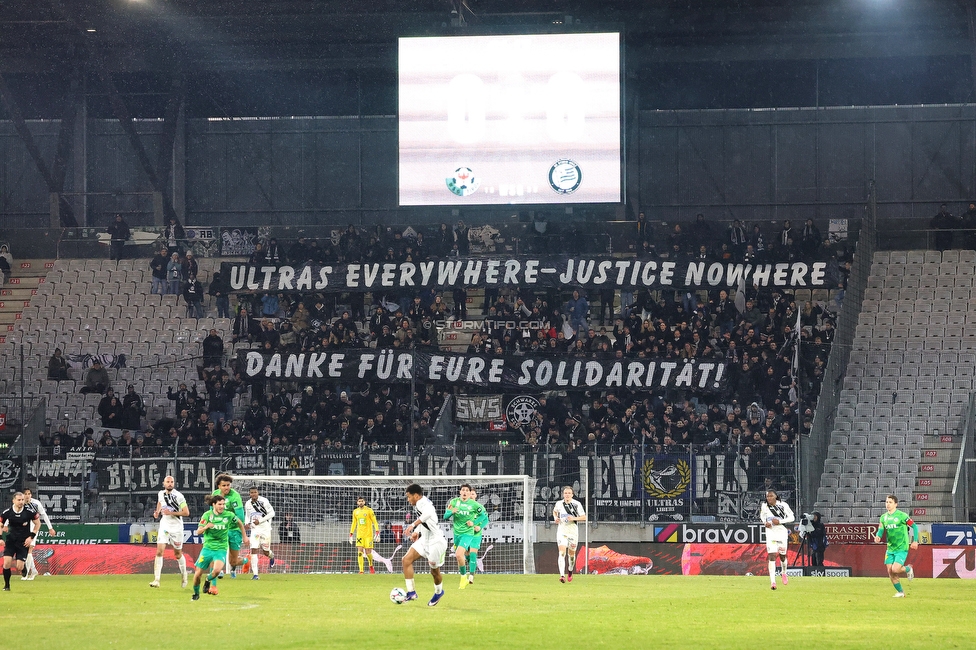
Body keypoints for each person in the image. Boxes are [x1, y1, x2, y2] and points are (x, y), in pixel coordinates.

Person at [191, 494, 248, 601]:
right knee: (198, 573)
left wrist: (244, 536)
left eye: (223, 504)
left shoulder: (229, 515)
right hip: (207, 548)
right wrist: (206, 526)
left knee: (217, 571)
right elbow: (198, 531)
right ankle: (195, 594)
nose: (222, 506)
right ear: (214, 505)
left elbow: (240, 523)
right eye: (219, 504)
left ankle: (208, 580)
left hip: (221, 549)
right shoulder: (207, 515)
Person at [401, 483, 447, 606]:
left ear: (416, 495)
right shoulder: (419, 503)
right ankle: (411, 592)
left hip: (436, 541)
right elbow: (425, 520)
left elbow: (428, 514)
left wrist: (413, 525)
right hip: (424, 539)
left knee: (434, 572)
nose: (408, 499)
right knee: (406, 560)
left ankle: (439, 592)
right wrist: (417, 532)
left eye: (409, 496)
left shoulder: (425, 503)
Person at [873, 494, 919, 598]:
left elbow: (914, 526)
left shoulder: (902, 516)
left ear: (896, 504)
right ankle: (901, 592)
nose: (888, 504)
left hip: (901, 547)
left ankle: (908, 569)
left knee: (895, 569)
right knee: (890, 571)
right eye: (886, 502)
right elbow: (880, 530)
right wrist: (877, 537)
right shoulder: (883, 517)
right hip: (890, 548)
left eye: (890, 502)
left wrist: (915, 541)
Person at [444, 483, 488, 589]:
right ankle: (464, 576)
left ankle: (466, 577)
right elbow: (445, 516)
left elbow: (484, 516)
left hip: (468, 534)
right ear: (460, 492)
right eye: (463, 490)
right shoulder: (454, 502)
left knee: (459, 554)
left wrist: (475, 523)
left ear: (469, 493)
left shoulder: (474, 505)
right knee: (462, 556)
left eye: (467, 490)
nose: (464, 492)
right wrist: (451, 512)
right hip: (457, 534)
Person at [150, 475, 190, 589]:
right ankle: (156, 580)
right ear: (164, 483)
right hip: (165, 526)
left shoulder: (179, 496)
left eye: (172, 482)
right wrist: (157, 512)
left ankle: (184, 575)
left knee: (177, 554)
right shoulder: (160, 494)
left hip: (177, 528)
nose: (170, 484)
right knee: (159, 551)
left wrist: (171, 513)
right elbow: (159, 502)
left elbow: (186, 512)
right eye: (168, 482)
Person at [1, 492, 40, 591]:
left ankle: (23, 569)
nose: (21, 502)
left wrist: (31, 537)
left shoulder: (29, 512)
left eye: (22, 500)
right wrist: (0, 538)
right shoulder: (7, 512)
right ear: (13, 500)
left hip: (23, 542)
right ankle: (7, 586)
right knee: (6, 563)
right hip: (11, 541)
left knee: (19, 566)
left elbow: (38, 524)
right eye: (19, 500)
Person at [212, 474, 249, 577]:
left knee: (232, 561)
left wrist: (225, 521)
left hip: (234, 529)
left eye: (228, 485)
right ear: (219, 486)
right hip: (221, 529)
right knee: (216, 551)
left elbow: (240, 517)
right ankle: (218, 570)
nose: (227, 487)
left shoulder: (235, 496)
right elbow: (212, 512)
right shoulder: (215, 494)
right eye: (224, 485)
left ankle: (246, 560)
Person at [760, 489, 795, 590]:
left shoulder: (783, 505)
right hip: (770, 532)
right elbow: (762, 516)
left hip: (781, 532)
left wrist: (780, 521)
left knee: (782, 556)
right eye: (767, 496)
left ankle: (783, 572)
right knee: (772, 555)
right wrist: (764, 523)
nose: (769, 498)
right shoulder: (764, 506)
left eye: (771, 496)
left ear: (776, 496)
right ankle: (773, 582)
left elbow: (792, 517)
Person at [553, 486, 586, 583]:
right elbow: (555, 512)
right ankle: (562, 575)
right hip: (562, 531)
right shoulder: (559, 504)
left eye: (569, 493)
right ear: (563, 494)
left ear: (572, 494)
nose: (567, 495)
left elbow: (584, 517)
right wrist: (556, 518)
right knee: (561, 553)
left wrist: (574, 518)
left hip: (573, 533)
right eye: (565, 493)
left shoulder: (576, 504)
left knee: (571, 556)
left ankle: (570, 570)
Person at [21, 488, 55, 581]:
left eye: (29, 494)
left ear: (31, 495)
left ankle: (27, 574)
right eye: (25, 494)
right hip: (22, 529)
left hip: (33, 528)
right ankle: (34, 570)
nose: (27, 495)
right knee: (25, 550)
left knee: (29, 548)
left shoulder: (36, 503)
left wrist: (50, 528)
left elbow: (44, 515)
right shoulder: (19, 503)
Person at [244, 486, 276, 580]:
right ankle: (255, 574)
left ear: (258, 492)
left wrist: (260, 520)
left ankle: (272, 556)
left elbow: (272, 513)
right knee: (253, 549)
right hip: (255, 530)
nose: (253, 494)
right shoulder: (248, 504)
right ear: (249, 494)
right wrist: (246, 523)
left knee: (265, 551)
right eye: (251, 492)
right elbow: (247, 515)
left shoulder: (264, 501)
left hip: (265, 528)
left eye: (255, 492)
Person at [349, 496, 379, 574]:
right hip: (360, 535)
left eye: (362, 501)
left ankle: (371, 565)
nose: (361, 502)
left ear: (364, 502)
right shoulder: (355, 512)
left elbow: (374, 521)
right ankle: (361, 570)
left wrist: (377, 531)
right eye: (359, 501)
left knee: (368, 552)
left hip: (368, 534)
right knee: (359, 551)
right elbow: (354, 523)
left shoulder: (369, 510)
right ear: (357, 502)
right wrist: (351, 534)